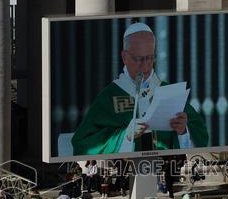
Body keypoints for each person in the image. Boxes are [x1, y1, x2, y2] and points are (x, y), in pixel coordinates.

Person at [69, 22, 208, 155]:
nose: (145, 66)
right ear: (124, 57)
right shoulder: (109, 96)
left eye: (149, 58)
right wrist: (126, 136)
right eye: (138, 59)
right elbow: (83, 144)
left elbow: (200, 136)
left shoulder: (168, 92)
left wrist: (183, 131)